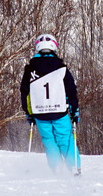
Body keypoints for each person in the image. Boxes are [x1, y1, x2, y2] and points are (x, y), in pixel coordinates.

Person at [20, 33, 81, 175]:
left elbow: (25, 93)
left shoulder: (29, 70)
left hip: (40, 112)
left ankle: (56, 169)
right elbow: (71, 91)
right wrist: (75, 110)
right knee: (65, 138)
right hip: (59, 111)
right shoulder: (61, 68)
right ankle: (73, 168)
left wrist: (28, 113)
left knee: (49, 140)